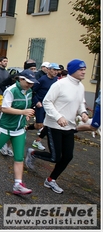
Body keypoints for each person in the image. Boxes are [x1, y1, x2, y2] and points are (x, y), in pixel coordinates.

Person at [25, 59, 89, 194]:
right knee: (55, 157)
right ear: (72, 70)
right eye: (81, 69)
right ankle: (33, 152)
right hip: (54, 125)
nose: (84, 71)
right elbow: (47, 102)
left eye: (84, 69)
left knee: (68, 156)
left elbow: (81, 102)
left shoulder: (81, 86)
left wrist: (83, 112)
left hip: (69, 126)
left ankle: (50, 179)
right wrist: (58, 117)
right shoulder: (60, 84)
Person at [0, 69, 38, 195]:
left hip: (19, 129)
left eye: (32, 83)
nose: (31, 85)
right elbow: (4, 109)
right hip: (5, 127)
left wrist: (26, 115)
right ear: (21, 79)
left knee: (19, 157)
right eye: (28, 82)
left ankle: (17, 184)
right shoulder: (11, 90)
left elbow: (26, 107)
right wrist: (23, 112)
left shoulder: (29, 91)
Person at [30, 63, 60, 150]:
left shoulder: (56, 81)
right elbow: (33, 91)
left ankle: (37, 141)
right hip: (41, 104)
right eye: (54, 70)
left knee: (47, 125)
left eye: (57, 70)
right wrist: (36, 102)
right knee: (39, 125)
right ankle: (26, 128)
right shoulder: (42, 80)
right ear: (48, 70)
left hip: (50, 105)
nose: (56, 72)